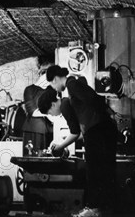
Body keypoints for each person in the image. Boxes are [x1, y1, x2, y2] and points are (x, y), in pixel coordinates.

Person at [37, 65, 117, 217]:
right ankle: (105, 208)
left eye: (49, 112)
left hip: (98, 131)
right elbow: (80, 133)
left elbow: (75, 132)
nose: (52, 115)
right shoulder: (72, 92)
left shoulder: (70, 87)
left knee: (94, 172)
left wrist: (60, 146)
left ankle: (95, 209)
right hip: (101, 130)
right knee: (105, 172)